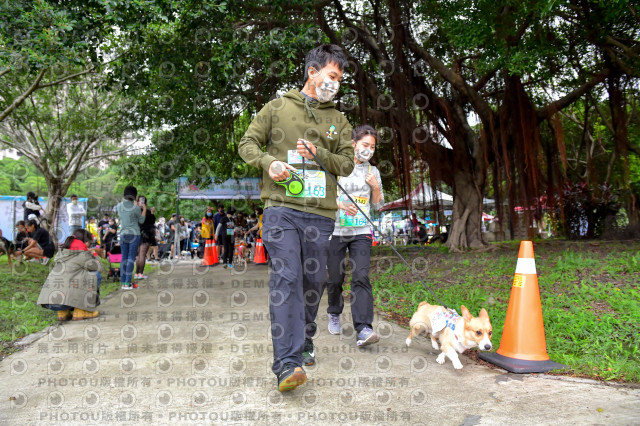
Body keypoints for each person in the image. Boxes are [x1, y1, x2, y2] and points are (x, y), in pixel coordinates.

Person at [238, 44, 354, 391]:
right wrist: (268, 163)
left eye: (340, 79)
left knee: (311, 286)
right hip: (281, 209)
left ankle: (304, 339)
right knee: (286, 279)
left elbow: (346, 164)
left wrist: (319, 154)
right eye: (332, 76)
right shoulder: (277, 108)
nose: (336, 84)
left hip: (320, 215)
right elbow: (247, 143)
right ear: (312, 71)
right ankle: (286, 365)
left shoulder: (339, 120)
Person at [320, 124, 384, 348]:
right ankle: (334, 312)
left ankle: (364, 328)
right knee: (335, 278)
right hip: (336, 231)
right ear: (353, 144)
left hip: (362, 231)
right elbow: (322, 196)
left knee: (361, 277)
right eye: (365, 144)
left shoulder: (372, 172)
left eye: (373, 147)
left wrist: (375, 187)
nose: (369, 149)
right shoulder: (337, 165)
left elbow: (378, 204)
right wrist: (340, 203)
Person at [36, 229, 102, 321]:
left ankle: (63, 312)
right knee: (95, 274)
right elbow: (99, 267)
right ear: (86, 242)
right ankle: (80, 310)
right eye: (90, 243)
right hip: (64, 301)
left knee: (73, 277)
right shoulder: (82, 254)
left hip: (50, 301)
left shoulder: (62, 253)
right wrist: (94, 253)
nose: (90, 245)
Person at [116, 185, 146, 290]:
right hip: (134, 234)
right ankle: (128, 282)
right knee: (130, 258)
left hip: (123, 234)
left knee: (124, 257)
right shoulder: (136, 208)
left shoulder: (119, 206)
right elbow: (141, 221)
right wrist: (144, 209)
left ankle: (123, 282)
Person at [135, 196, 155, 280]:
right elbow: (152, 222)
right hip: (145, 235)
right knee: (142, 254)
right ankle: (140, 273)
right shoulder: (147, 211)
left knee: (138, 255)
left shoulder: (134, 211)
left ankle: (137, 273)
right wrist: (152, 213)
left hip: (136, 234)